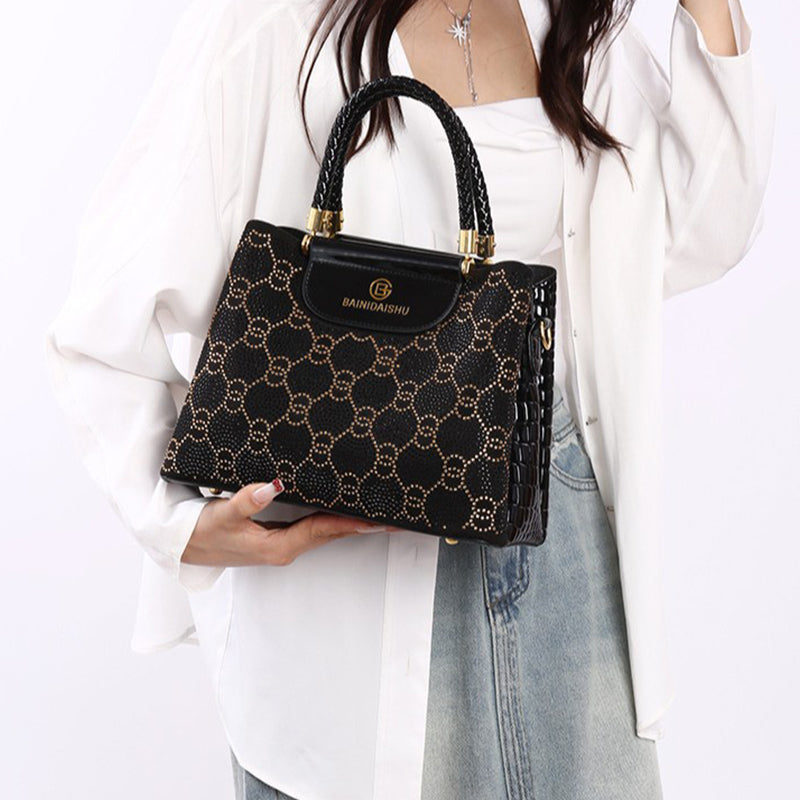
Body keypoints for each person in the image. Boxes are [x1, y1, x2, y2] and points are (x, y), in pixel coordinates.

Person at [43, 0, 774, 798]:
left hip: (558, 527)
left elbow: (701, 229)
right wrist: (182, 524)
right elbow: (103, 323)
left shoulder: (575, 24)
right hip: (348, 567)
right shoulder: (269, 26)